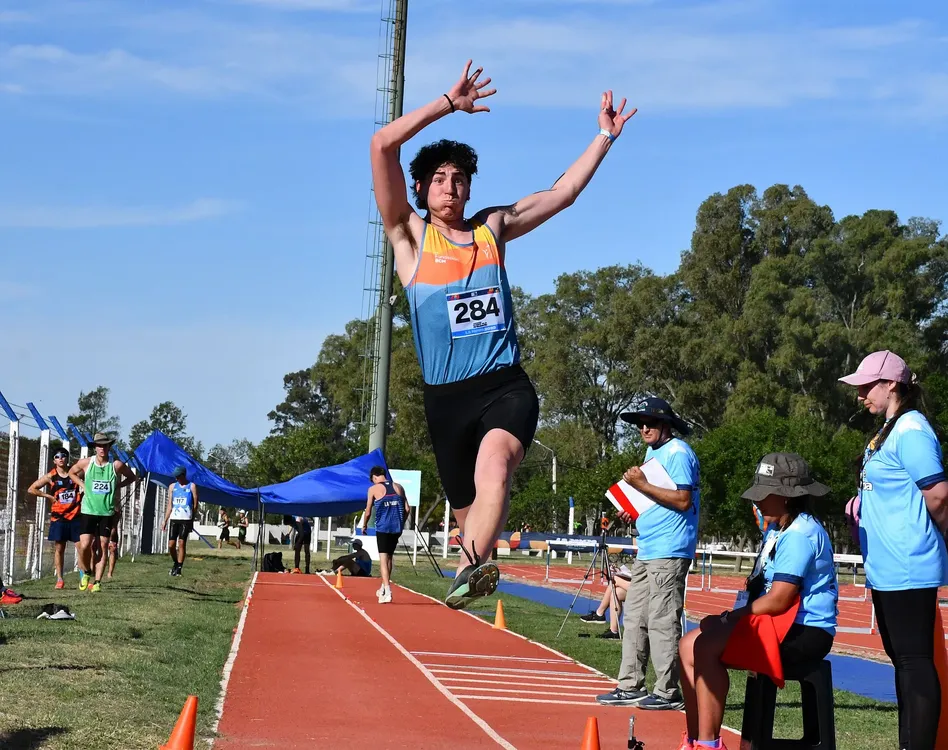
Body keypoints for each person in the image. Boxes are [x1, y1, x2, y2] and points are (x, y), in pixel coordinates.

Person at [371, 59, 635, 609]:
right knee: (474, 520)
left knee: (496, 464)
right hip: (445, 401)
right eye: (438, 179)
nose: (450, 187)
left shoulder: (492, 228)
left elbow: (562, 193)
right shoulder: (409, 238)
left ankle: (468, 571)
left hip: (503, 385)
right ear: (419, 188)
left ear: (470, 189)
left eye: (459, 179)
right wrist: (448, 104)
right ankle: (475, 564)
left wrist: (604, 137)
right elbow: (381, 145)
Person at [676, 453, 838, 750]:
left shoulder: (800, 534)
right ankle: (695, 739)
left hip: (805, 631)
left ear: (787, 496)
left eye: (764, 494)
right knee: (688, 644)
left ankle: (709, 745)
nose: (758, 501)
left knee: (706, 646)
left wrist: (728, 618)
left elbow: (779, 600)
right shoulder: (778, 529)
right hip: (774, 624)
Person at [840, 350, 948, 750]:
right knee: (903, 663)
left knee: (914, 662)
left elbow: (938, 494)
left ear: (891, 384)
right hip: (888, 567)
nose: (861, 395)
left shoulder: (911, 429)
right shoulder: (889, 429)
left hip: (908, 564)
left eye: (867, 386)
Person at [598, 397, 699, 711]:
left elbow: (682, 500)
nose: (644, 428)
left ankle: (668, 692)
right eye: (640, 424)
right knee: (634, 618)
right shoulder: (653, 452)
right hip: (648, 546)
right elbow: (656, 498)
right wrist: (634, 510)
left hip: (669, 549)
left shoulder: (678, 452)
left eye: (651, 422)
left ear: (666, 425)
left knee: (662, 620)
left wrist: (641, 485)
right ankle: (629, 685)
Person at [68, 433, 138, 592]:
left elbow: (132, 477)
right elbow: (71, 472)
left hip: (106, 512)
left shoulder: (116, 465)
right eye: (99, 445)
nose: (102, 448)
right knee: (85, 545)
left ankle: (98, 582)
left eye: (105, 445)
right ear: (95, 447)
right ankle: (86, 571)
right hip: (88, 510)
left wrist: (118, 486)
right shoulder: (86, 463)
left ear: (109, 447)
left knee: (104, 545)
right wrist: (82, 484)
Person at [28, 446, 81, 589]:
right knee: (59, 548)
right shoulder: (50, 476)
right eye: (57, 456)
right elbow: (31, 489)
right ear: (54, 460)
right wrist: (48, 496)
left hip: (75, 515)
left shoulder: (75, 473)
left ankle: (84, 576)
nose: (60, 458)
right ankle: (60, 578)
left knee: (81, 547)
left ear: (67, 458)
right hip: (59, 517)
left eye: (63, 455)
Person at [362, 467, 410, 604]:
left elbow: (368, 512)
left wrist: (364, 525)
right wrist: (401, 522)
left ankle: (388, 591)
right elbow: (407, 509)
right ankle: (383, 587)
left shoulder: (373, 489)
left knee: (383, 559)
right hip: (396, 527)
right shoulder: (399, 487)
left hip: (383, 527)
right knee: (389, 557)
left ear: (375, 477)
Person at [162, 466, 198, 577]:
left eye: (179, 476)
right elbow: (170, 505)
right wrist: (165, 520)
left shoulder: (192, 486)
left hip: (186, 519)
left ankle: (179, 568)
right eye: (176, 477)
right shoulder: (172, 487)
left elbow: (195, 504)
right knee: (171, 545)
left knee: (181, 543)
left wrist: (192, 518)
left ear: (183, 475)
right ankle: (176, 562)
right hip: (174, 518)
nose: (177, 479)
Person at [580, 566, 631, 639]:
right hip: (638, 585)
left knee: (614, 579)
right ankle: (614, 631)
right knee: (616, 592)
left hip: (644, 588)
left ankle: (599, 613)